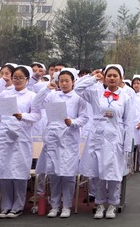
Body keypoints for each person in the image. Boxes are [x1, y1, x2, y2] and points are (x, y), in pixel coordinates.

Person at [75, 65, 135, 220]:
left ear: (121, 78)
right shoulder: (96, 94)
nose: (112, 78)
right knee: (98, 173)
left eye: (115, 76)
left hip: (115, 139)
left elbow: (129, 122)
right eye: (109, 75)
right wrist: (92, 77)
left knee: (114, 174)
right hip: (98, 138)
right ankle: (100, 203)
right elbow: (77, 88)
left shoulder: (126, 97)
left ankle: (113, 204)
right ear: (104, 77)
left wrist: (127, 145)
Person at [33, 68, 89, 218]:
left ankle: (66, 206)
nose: (64, 84)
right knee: (53, 174)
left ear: (73, 82)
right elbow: (36, 103)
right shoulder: (53, 95)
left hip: (69, 138)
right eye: (61, 81)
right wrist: (46, 89)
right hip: (52, 139)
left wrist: (72, 122)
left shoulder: (79, 97)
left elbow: (84, 118)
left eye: (67, 81)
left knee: (68, 175)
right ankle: (55, 205)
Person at [0, 65, 41, 219]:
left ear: (27, 79)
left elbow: (37, 116)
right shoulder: (6, 93)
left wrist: (22, 116)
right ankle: (5, 206)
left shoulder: (31, 96)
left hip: (21, 137)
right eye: (15, 77)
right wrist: (1, 82)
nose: (17, 80)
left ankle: (17, 206)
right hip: (5, 137)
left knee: (18, 173)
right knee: (5, 172)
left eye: (21, 78)